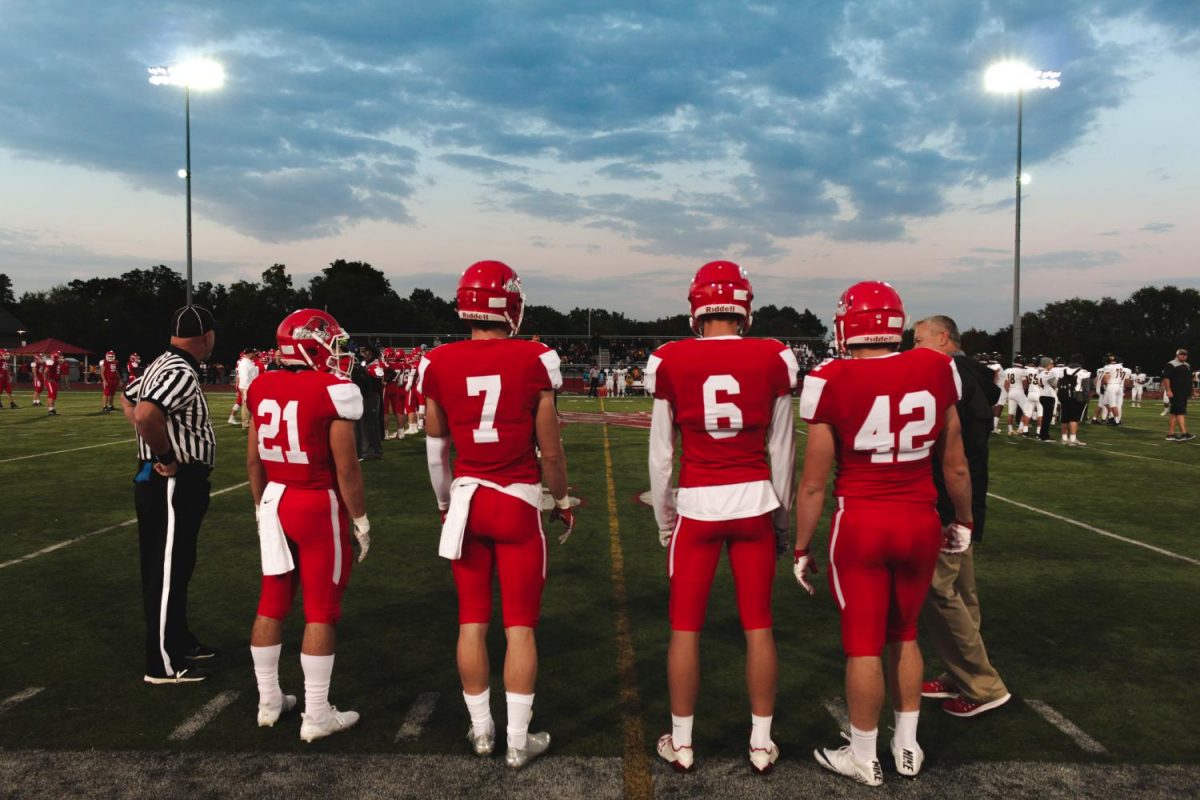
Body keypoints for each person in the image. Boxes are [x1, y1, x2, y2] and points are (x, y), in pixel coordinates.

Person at [795, 282, 972, 785]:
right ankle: (908, 746)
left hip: (862, 522)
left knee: (863, 645)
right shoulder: (937, 367)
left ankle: (865, 754)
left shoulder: (830, 375)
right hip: (920, 518)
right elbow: (955, 465)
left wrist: (802, 546)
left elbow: (812, 484)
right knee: (906, 634)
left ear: (847, 324)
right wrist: (963, 520)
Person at [419, 260, 575, 769]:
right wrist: (561, 499)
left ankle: (482, 731)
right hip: (516, 500)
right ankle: (516, 740)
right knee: (520, 627)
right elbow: (550, 452)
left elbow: (436, 449)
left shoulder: (438, 361)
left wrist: (446, 503)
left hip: (467, 499)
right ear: (510, 303)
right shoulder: (535, 358)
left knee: (470, 621)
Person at [647, 261, 797, 774]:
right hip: (755, 501)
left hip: (698, 505)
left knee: (685, 628)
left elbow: (661, 456)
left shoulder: (670, 359)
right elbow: (782, 452)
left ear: (697, 306)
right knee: (759, 626)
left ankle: (683, 742)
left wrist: (665, 518)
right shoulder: (774, 356)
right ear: (744, 306)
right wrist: (782, 519)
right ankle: (760, 743)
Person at [246, 309, 371, 742]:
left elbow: (253, 460)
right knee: (320, 610)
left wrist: (260, 508)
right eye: (332, 343)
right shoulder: (333, 390)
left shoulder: (261, 385)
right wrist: (361, 519)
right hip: (317, 503)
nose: (339, 353)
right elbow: (347, 470)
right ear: (308, 343)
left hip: (275, 499)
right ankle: (316, 715)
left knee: (272, 600)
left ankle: (268, 701)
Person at [912, 316, 1012, 722]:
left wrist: (958, 514)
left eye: (919, 340)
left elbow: (952, 455)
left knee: (940, 593)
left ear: (943, 338)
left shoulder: (948, 372)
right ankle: (960, 673)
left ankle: (982, 684)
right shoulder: (973, 373)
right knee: (963, 593)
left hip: (948, 498)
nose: (914, 348)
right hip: (965, 495)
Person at [120, 306, 220, 684]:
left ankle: (178, 640)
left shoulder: (163, 362)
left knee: (177, 566)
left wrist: (153, 443)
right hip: (172, 482)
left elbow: (129, 398)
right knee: (166, 570)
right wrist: (164, 455)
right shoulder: (180, 371)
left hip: (170, 482)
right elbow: (145, 413)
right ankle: (162, 663)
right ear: (207, 337)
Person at [351, 345, 385, 459]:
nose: (365, 355)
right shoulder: (365, 365)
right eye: (365, 352)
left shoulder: (375, 366)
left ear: (373, 354)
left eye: (368, 353)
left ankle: (373, 450)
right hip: (366, 396)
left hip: (371, 397)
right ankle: (371, 450)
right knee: (366, 424)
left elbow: (381, 376)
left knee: (370, 424)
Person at [1056, 355, 1090, 446]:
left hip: (1063, 396)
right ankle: (1072, 439)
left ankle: (1064, 438)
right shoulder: (1084, 372)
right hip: (1077, 397)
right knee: (1074, 418)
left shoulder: (1062, 370)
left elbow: (1057, 383)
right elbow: (1086, 388)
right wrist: (1087, 399)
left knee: (1065, 418)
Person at [1162, 349, 1194, 441]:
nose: (1183, 356)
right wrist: (1168, 390)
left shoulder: (1187, 365)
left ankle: (1170, 434)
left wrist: (1191, 390)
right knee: (1180, 412)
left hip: (1183, 392)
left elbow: (1189, 379)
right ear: (1177, 355)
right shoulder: (1171, 364)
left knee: (1174, 413)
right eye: (1181, 354)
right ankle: (1184, 433)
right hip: (1176, 392)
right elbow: (1166, 378)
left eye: (1185, 354)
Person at [1002, 357, 1027, 436]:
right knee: (1027, 410)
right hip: (1019, 391)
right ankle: (1020, 428)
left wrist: (1010, 392)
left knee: (1011, 412)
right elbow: (1025, 384)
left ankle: (1010, 430)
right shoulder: (1022, 371)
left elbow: (1006, 385)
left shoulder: (1007, 370)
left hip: (1011, 392)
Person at [44, 351, 63, 415]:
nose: (61, 357)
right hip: (50, 381)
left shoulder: (56, 362)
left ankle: (52, 410)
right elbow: (45, 372)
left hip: (54, 381)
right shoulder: (51, 362)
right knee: (51, 396)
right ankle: (50, 411)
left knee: (52, 396)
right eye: (59, 356)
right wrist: (47, 380)